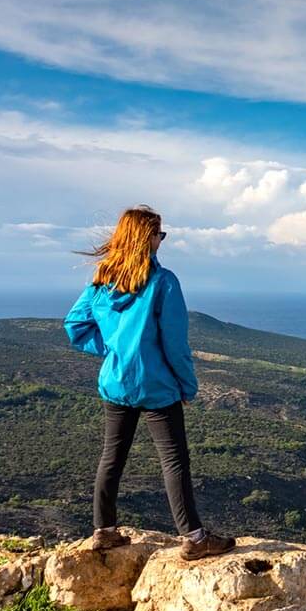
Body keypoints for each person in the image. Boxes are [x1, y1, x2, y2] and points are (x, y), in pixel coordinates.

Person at [63, 205, 235, 561]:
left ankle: (104, 531)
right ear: (148, 238)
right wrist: (187, 387)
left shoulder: (101, 280)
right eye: (160, 234)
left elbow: (75, 326)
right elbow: (174, 343)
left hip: (116, 384)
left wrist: (113, 352)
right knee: (174, 462)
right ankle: (194, 537)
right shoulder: (163, 282)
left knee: (112, 456)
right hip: (157, 387)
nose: (162, 240)